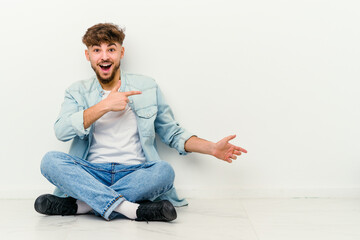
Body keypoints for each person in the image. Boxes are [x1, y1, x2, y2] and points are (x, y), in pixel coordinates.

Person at [34, 23, 247, 222]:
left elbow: (171, 132)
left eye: (111, 49)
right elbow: (61, 131)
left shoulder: (147, 86)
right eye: (97, 50)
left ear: (121, 53)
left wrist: (211, 148)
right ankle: (131, 209)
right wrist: (104, 106)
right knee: (50, 161)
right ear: (87, 55)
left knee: (164, 171)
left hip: (135, 174)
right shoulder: (76, 91)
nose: (104, 56)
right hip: (91, 173)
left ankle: (84, 206)